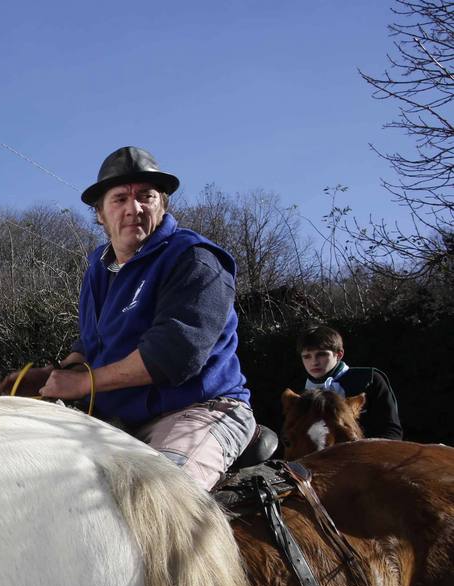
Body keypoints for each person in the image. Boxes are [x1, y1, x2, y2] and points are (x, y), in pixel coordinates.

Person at [33, 146, 256, 490]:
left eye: (145, 197)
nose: (133, 209)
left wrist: (82, 384)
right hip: (120, 419)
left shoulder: (194, 259)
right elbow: (92, 342)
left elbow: (172, 357)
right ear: (101, 215)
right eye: (119, 199)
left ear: (162, 205)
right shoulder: (99, 266)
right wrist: (62, 372)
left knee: (160, 500)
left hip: (199, 410)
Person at [296, 324, 402, 439]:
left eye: (321, 354)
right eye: (307, 356)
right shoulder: (298, 392)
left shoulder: (369, 379)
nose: (314, 362)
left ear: (339, 354)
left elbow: (392, 431)